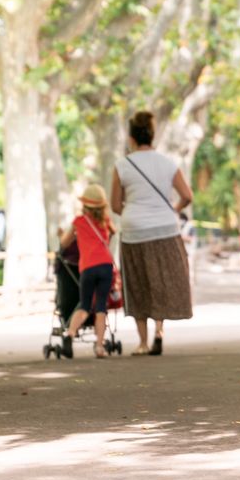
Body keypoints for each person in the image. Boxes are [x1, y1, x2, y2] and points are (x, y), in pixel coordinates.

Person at [111, 110, 194, 356]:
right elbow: (187, 196)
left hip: (134, 232)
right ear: (152, 135)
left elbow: (115, 205)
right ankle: (159, 330)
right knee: (162, 280)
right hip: (166, 229)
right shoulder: (167, 163)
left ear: (131, 138)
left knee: (138, 284)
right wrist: (172, 210)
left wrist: (134, 212)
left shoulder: (122, 165)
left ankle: (143, 342)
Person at [58, 185, 118, 359]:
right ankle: (99, 347)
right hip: (105, 266)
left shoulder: (79, 221)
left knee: (84, 305)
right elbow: (113, 232)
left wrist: (63, 235)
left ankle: (70, 335)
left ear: (85, 204)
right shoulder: (105, 220)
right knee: (101, 307)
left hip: (88, 267)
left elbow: (64, 242)